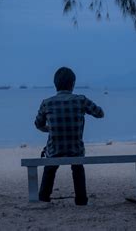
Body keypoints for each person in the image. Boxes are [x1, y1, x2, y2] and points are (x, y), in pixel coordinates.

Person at [34, 67, 104, 206]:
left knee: (50, 167)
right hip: (76, 150)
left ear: (55, 84)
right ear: (73, 84)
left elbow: (37, 124)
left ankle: (43, 197)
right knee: (78, 168)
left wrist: (51, 129)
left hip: (54, 150)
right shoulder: (81, 100)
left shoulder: (47, 103)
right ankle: (81, 200)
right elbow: (100, 113)